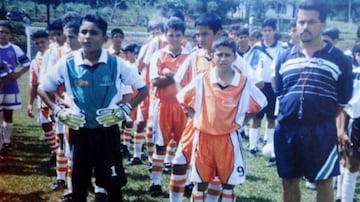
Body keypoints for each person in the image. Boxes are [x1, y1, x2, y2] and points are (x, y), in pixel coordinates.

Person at [37, 14, 149, 202]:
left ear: (105, 39)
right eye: (84, 32)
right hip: (79, 132)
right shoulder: (68, 62)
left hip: (107, 132)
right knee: (79, 186)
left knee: (113, 187)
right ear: (79, 36)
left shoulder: (116, 63)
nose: (88, 36)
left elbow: (143, 89)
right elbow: (42, 88)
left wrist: (125, 109)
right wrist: (57, 110)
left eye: (94, 33)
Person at [273, 1, 353, 202]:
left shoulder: (339, 59)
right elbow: (281, 93)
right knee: (289, 181)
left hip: (320, 130)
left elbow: (343, 99)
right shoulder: (284, 57)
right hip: (287, 129)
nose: (305, 27)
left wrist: (320, 116)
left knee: (324, 182)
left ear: (323, 24)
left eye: (311, 22)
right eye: (301, 22)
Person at [176, 36, 267, 202]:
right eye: (219, 55)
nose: (223, 59)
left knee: (228, 183)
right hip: (203, 137)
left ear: (234, 57)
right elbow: (182, 96)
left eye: (227, 55)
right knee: (200, 182)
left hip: (228, 139)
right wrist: (193, 114)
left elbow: (261, 102)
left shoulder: (243, 82)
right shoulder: (203, 79)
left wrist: (243, 120)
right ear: (213, 55)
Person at [148, 16, 189, 197]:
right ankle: (155, 183)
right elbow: (156, 81)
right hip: (163, 105)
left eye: (177, 35)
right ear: (165, 35)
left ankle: (186, 182)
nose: (173, 38)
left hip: (182, 106)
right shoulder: (158, 54)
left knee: (184, 146)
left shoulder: (190, 56)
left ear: (183, 36)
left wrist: (168, 72)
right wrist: (177, 76)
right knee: (160, 146)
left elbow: (191, 82)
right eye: (170, 35)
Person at [0, 21, 31, 157]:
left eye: (6, 32)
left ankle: (7, 141)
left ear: (10, 34)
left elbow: (27, 63)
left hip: (11, 87)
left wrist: (18, 74)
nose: (3, 35)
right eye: (0, 32)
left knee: (8, 115)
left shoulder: (15, 48)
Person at [27, 30, 56, 161]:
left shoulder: (55, 55)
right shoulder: (35, 61)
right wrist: (30, 104)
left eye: (42, 42)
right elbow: (33, 83)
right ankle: (55, 150)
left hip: (57, 96)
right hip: (42, 97)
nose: (40, 45)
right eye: (37, 43)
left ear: (49, 40)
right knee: (45, 124)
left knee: (58, 124)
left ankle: (62, 152)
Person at [336, 42, 360, 202]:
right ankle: (344, 198)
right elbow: (345, 106)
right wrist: (341, 130)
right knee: (351, 163)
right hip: (356, 122)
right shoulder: (353, 75)